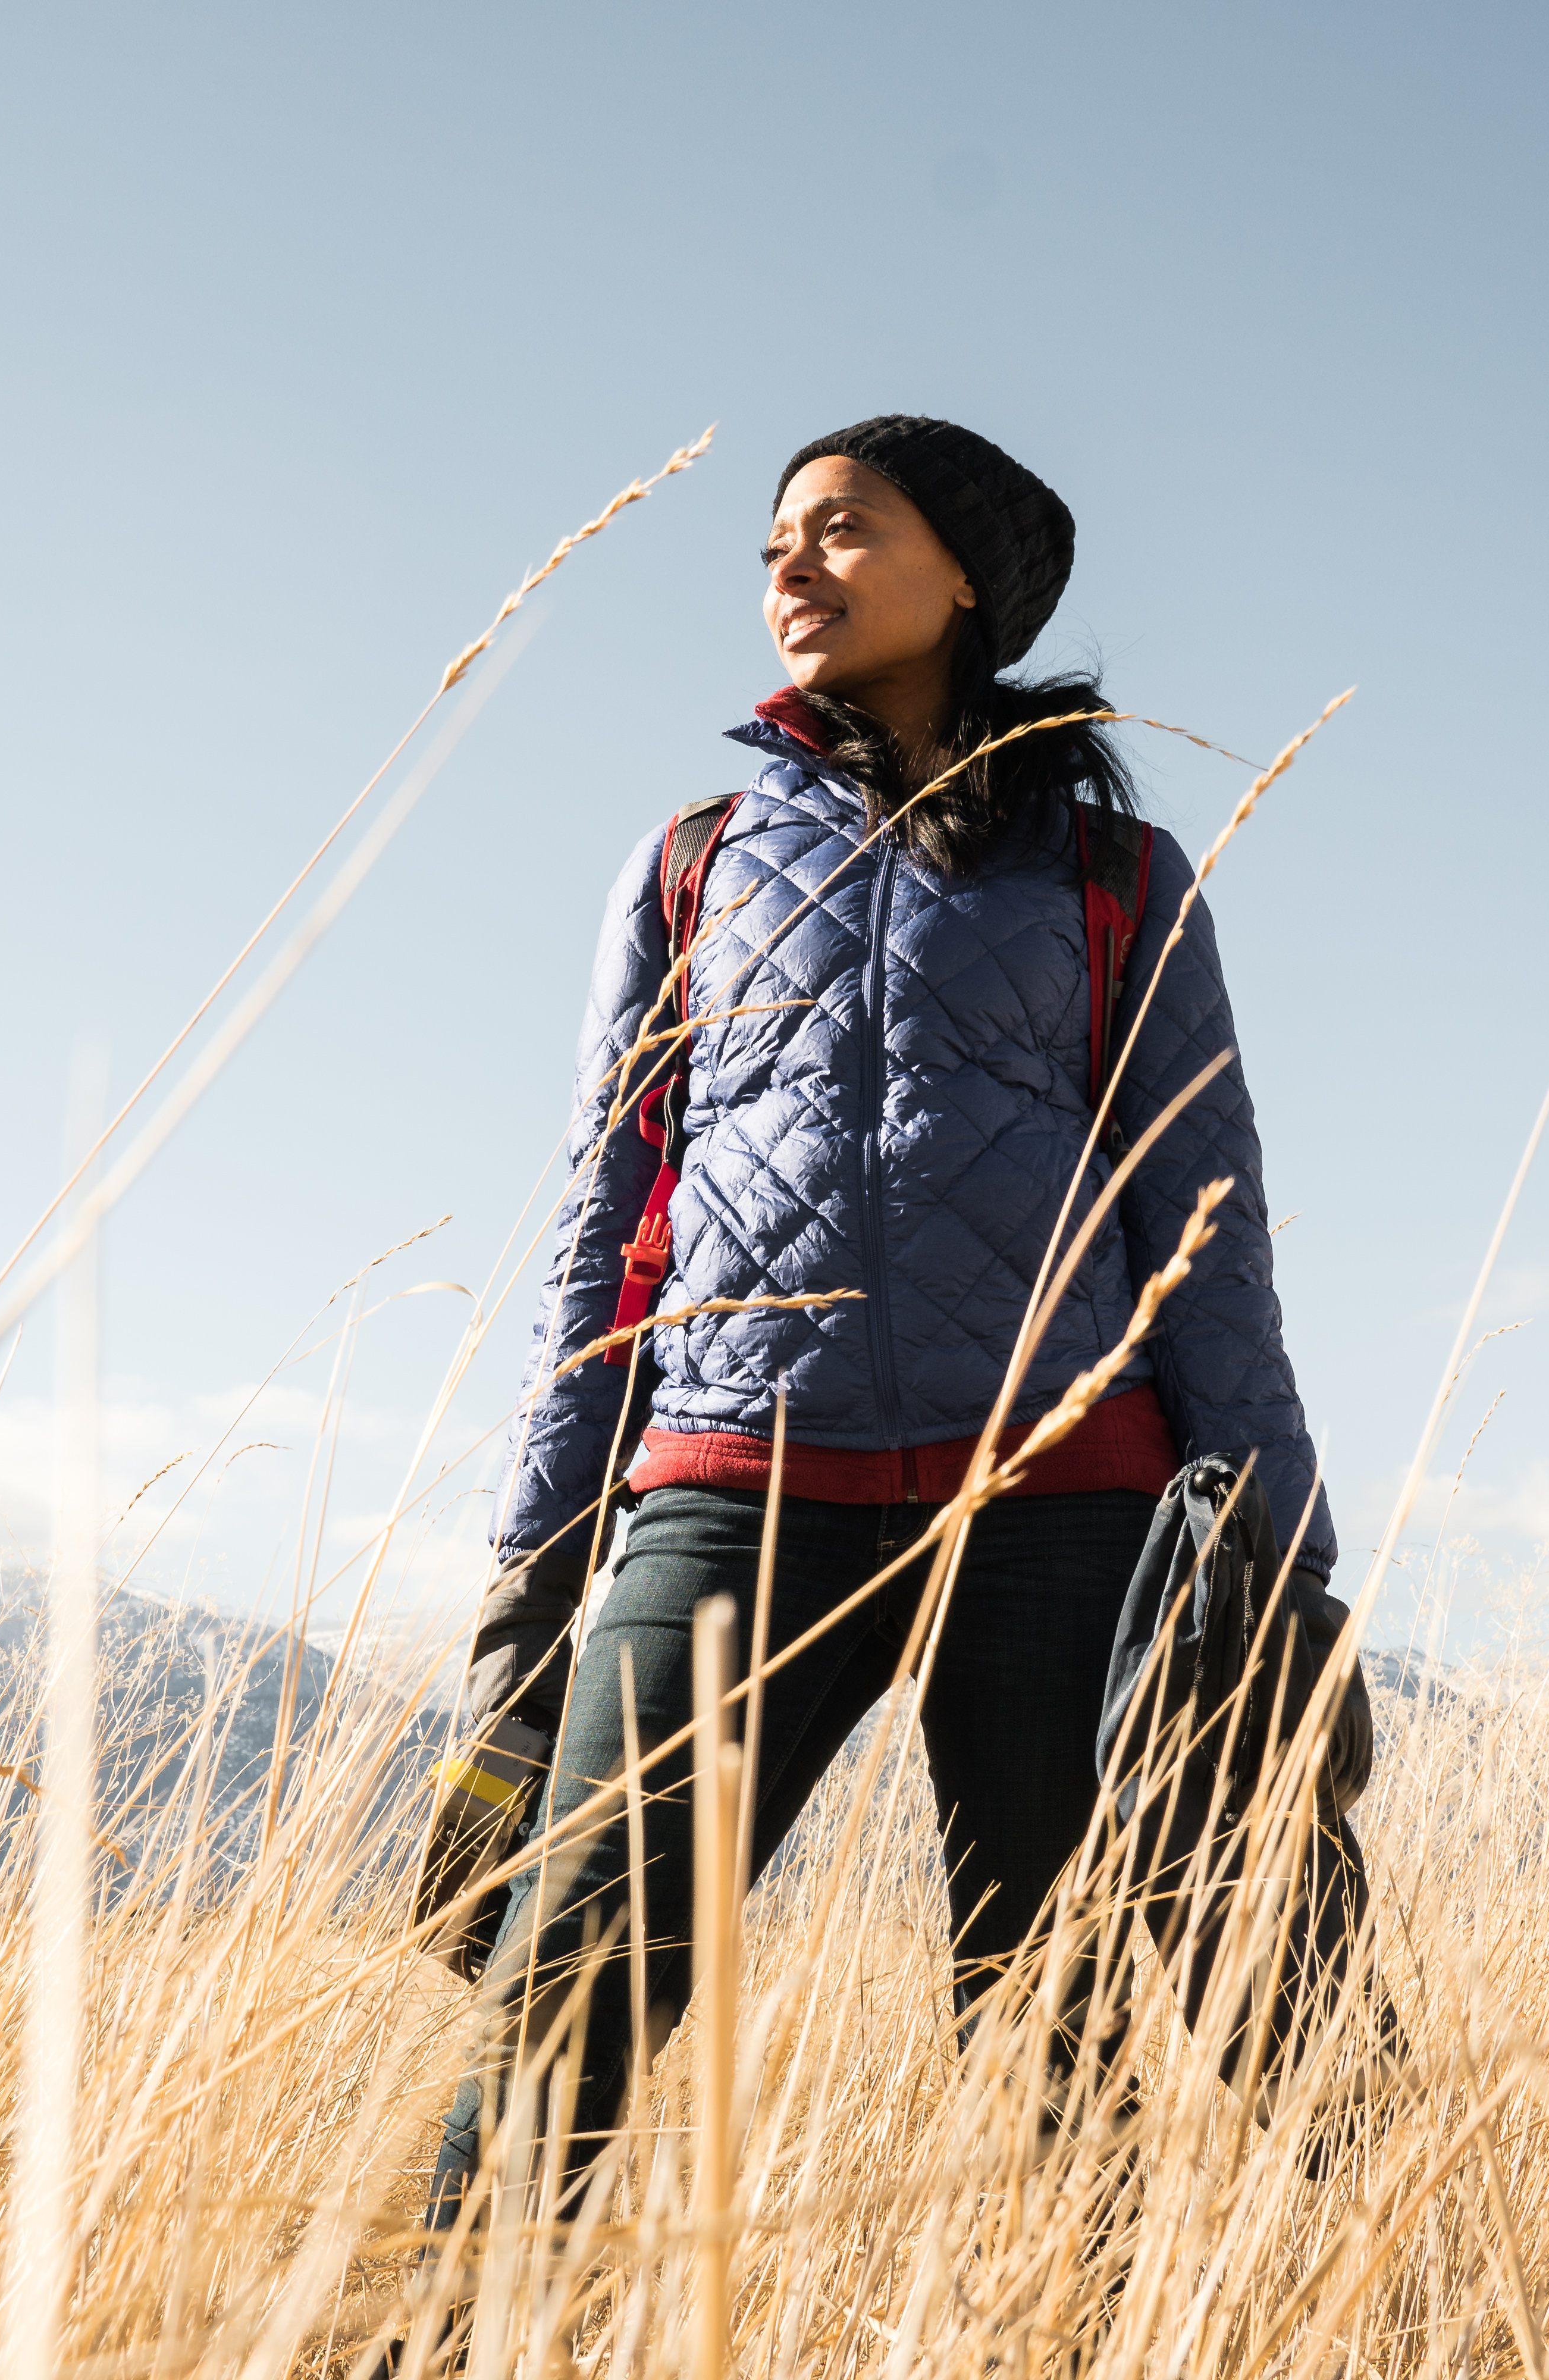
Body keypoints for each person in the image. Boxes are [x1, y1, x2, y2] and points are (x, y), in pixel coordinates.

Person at [402, 415, 1353, 2329]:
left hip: (1066, 1505)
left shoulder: (1118, 874)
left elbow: (1210, 1229)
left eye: (847, 529)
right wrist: (532, 1587)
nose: (793, 567)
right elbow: (606, 1231)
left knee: (1052, 2026)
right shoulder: (692, 866)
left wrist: (1286, 1569)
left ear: (969, 581)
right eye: (779, 541)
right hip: (731, 1479)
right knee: (565, 2007)